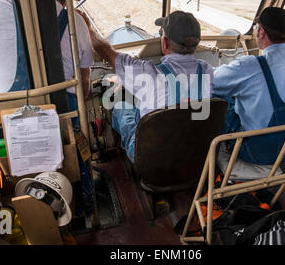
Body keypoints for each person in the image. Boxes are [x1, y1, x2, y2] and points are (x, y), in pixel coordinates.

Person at [88, 11, 214, 162]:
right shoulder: (207, 71)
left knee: (121, 106)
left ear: (165, 42)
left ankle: (119, 155)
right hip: (194, 156)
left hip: (152, 161)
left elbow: (106, 52)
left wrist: (87, 26)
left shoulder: (148, 73)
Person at [212, 7, 285, 177]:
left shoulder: (250, 65)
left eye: (256, 28)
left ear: (261, 32)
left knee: (217, 96)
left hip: (255, 152)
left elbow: (211, 81)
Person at [30, 0, 93, 128]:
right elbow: (85, 76)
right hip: (66, 104)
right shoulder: (76, 21)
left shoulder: (18, 10)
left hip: (25, 104)